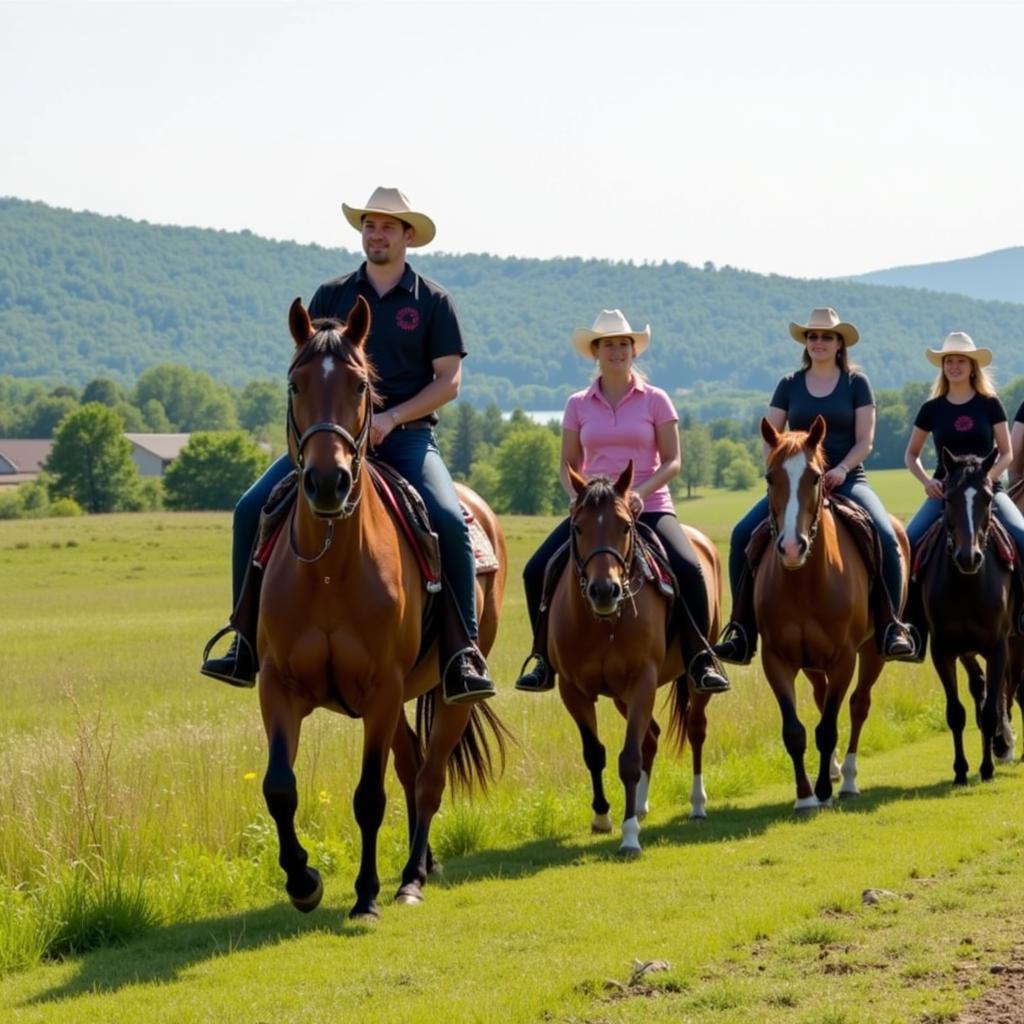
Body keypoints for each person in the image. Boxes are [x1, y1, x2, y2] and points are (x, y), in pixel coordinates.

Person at [200, 187, 495, 705]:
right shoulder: (330, 294)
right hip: (330, 442)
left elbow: (449, 381)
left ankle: (461, 652)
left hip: (404, 439)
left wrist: (391, 417)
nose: (376, 234)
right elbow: (310, 372)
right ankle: (243, 640)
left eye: (388, 226)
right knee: (250, 509)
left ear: (408, 236)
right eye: (369, 225)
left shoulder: (433, 301)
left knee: (449, 519)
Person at [513, 309, 730, 695]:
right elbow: (567, 465)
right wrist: (574, 497)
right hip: (594, 510)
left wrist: (637, 495)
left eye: (624, 344)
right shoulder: (577, 403)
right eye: (609, 345)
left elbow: (674, 461)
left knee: (690, 569)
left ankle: (699, 658)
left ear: (634, 351)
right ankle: (544, 659)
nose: (617, 351)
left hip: (650, 505)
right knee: (535, 571)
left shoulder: (656, 400)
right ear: (595, 351)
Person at [714, 307, 915, 665]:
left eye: (826, 336)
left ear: (840, 343)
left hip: (846, 479)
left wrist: (840, 468)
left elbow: (865, 440)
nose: (818, 341)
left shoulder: (857, 383)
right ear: (805, 343)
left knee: (885, 535)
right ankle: (742, 630)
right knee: (743, 532)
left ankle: (891, 627)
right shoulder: (789, 384)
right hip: (795, 482)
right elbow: (770, 436)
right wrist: (779, 469)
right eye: (812, 336)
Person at [903, 331, 1024, 656]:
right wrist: (926, 482)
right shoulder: (932, 408)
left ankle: (1022, 614)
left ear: (973, 367)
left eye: (960, 361)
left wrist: (988, 479)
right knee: (908, 543)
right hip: (945, 494)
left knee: (1022, 536)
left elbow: (1007, 452)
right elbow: (911, 454)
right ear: (943, 367)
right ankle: (910, 627)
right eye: (949, 361)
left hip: (988, 491)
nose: (954, 366)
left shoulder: (990, 403)